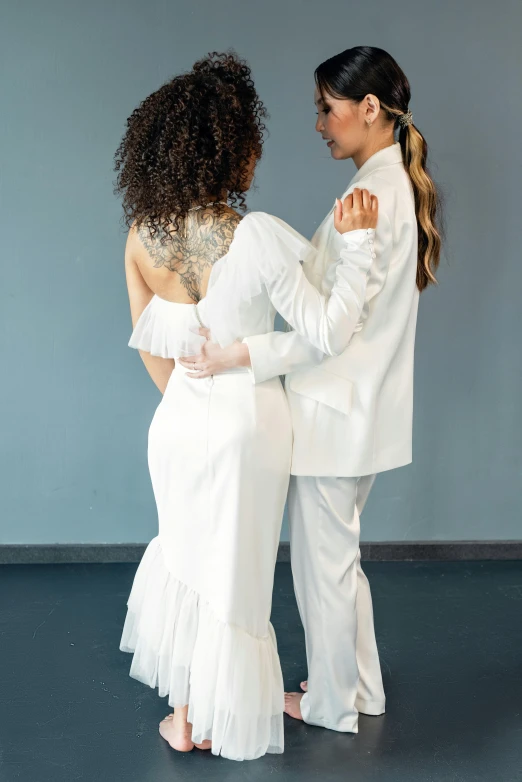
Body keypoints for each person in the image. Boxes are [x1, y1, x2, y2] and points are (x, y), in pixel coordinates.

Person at [115, 51, 378, 761]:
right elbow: (326, 330)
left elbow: (151, 349)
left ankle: (186, 715)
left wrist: (192, 409)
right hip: (250, 427)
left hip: (176, 425)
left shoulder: (141, 235)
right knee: (236, 569)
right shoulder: (256, 236)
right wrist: (356, 250)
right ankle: (220, 716)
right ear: (232, 146)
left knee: (190, 560)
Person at [179, 46, 443, 734]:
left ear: (370, 109)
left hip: (335, 409)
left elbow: (329, 330)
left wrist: (241, 354)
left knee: (324, 571)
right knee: (339, 564)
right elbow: (342, 324)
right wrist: (249, 354)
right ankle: (361, 692)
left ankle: (330, 704)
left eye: (328, 109)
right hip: (358, 407)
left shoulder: (371, 198)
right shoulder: (392, 188)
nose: (321, 124)